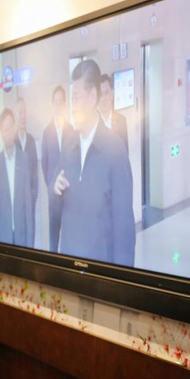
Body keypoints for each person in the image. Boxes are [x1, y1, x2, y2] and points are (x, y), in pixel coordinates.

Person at [52, 59, 135, 266]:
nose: (72, 107)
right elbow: (56, 209)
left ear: (92, 98)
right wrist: (55, 189)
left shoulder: (115, 150)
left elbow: (124, 230)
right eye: (71, 99)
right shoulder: (69, 144)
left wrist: (118, 280)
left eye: (76, 98)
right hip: (70, 269)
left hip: (100, 273)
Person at [0, 108, 34, 247]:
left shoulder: (24, 159)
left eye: (11, 127)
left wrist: (30, 243)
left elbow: (28, 204)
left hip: (22, 237)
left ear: (15, 127)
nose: (9, 132)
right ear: (1, 132)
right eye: (5, 129)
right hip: (3, 238)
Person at [41, 85, 75, 253]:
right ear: (52, 104)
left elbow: (75, 160)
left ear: (64, 104)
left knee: (69, 237)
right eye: (56, 101)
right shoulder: (46, 132)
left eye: (61, 101)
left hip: (69, 193)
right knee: (53, 238)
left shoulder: (71, 129)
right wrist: (50, 187)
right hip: (53, 195)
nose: (58, 104)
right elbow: (44, 164)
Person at [15, 98, 38, 208]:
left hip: (31, 203)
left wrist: (33, 197)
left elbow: (35, 173)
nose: (23, 116)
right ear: (15, 115)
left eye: (24, 112)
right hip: (16, 205)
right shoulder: (12, 143)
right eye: (20, 112)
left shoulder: (31, 141)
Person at [98, 74, 128, 150]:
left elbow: (124, 152)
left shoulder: (121, 121)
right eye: (100, 94)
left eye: (106, 93)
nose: (104, 98)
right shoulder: (91, 122)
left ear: (112, 94)